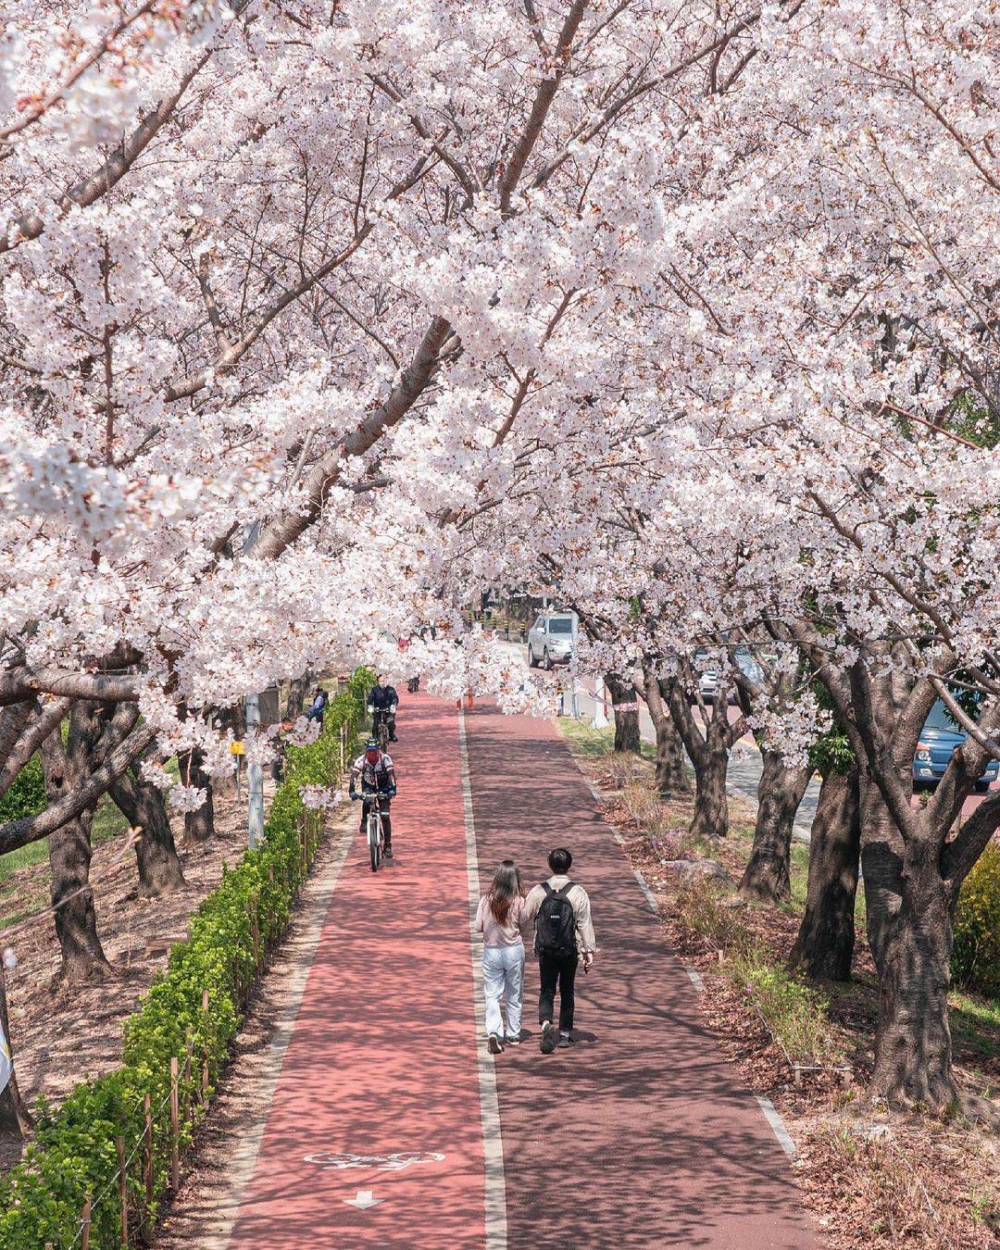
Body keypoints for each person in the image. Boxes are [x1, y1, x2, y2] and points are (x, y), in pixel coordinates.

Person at [523, 848, 597, 1054]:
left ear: (550, 865)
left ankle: (546, 1021)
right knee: (567, 989)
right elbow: (584, 924)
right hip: (568, 949)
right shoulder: (578, 892)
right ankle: (565, 1033)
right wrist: (588, 950)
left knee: (546, 988)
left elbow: (524, 916)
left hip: (546, 949)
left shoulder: (539, 890)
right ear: (569, 865)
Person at [475, 860, 532, 1054]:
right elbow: (525, 926)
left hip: (491, 950)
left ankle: (494, 1031)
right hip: (513, 950)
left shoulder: (486, 900)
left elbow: (477, 926)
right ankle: (514, 1033)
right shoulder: (519, 901)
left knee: (492, 994)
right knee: (514, 992)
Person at [349, 739, 397, 856]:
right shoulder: (361, 760)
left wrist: (392, 789)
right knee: (367, 801)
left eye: (374, 751)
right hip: (368, 787)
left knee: (385, 815)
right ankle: (364, 821)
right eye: (369, 751)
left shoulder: (385, 759)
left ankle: (388, 845)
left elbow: (391, 775)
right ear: (366, 751)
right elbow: (354, 776)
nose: (372, 754)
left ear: (378, 750)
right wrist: (352, 791)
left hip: (384, 787)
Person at [367, 674, 399, 742]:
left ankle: (391, 735)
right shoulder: (374, 690)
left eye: (384, 681)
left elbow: (394, 698)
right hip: (378, 710)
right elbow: (370, 698)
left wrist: (393, 705)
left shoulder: (391, 689)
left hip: (389, 711)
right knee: (375, 726)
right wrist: (370, 705)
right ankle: (375, 738)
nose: (382, 682)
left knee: (390, 723)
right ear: (378, 682)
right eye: (380, 681)